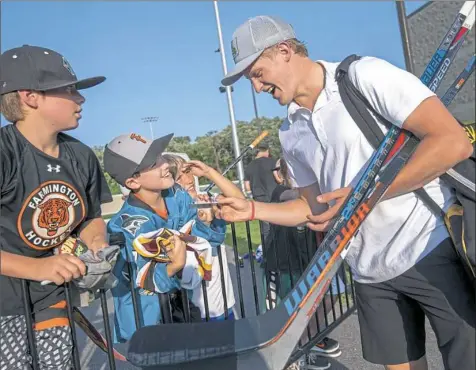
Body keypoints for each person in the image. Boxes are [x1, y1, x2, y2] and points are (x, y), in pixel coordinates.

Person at [215, 15, 475, 370]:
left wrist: (366, 194)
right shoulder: (289, 131)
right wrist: (252, 210)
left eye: (258, 74)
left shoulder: (362, 76)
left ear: (285, 51)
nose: (257, 88)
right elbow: (312, 207)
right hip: (368, 271)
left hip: (428, 247)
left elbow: (452, 142)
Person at [0, 45, 112, 370]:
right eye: (69, 89)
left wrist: (97, 248)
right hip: (5, 306)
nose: (81, 99)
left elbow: (91, 216)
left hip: (54, 300)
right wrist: (36, 268)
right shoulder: (6, 153)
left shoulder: (81, 156)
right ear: (30, 97)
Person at [103, 133, 227, 342]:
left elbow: (207, 243)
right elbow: (145, 281)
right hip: (147, 322)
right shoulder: (125, 224)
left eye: (160, 156)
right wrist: (174, 265)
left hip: (182, 308)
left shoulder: (177, 195)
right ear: (132, 181)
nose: (164, 165)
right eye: (153, 163)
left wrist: (208, 223)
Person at [264, 159, 342, 370]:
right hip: (284, 264)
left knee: (318, 302)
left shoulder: (306, 195)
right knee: (290, 312)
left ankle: (307, 345)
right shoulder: (281, 193)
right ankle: (290, 357)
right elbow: (295, 199)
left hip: (307, 260)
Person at [164, 154, 238, 321]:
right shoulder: (171, 214)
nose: (188, 179)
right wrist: (203, 223)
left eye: (188, 171)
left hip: (224, 301)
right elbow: (205, 245)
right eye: (178, 176)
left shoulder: (205, 200)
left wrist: (209, 173)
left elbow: (239, 201)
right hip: (198, 308)